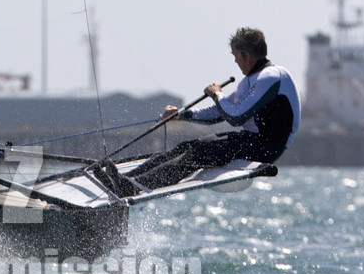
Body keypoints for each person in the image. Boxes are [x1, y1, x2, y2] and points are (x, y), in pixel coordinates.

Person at [123, 27, 300, 191]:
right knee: (187, 146)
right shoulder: (253, 79)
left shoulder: (271, 77)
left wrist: (217, 95)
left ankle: (136, 185)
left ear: (245, 56)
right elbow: (219, 113)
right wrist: (182, 115)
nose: (235, 61)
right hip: (251, 140)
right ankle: (125, 179)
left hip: (267, 147)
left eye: (235, 56)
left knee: (198, 153)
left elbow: (235, 117)